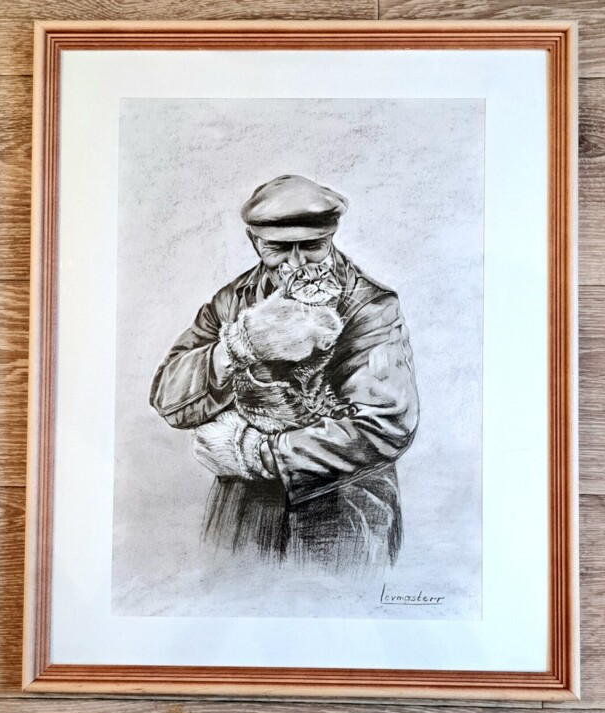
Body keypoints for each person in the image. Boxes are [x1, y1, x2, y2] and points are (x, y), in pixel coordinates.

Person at [150, 175, 419, 571]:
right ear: (254, 241)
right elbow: (168, 399)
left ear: (331, 236)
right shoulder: (233, 300)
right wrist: (236, 345)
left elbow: (384, 425)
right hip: (241, 516)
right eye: (278, 248)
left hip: (341, 517)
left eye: (312, 246)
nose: (296, 263)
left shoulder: (371, 306)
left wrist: (255, 453)